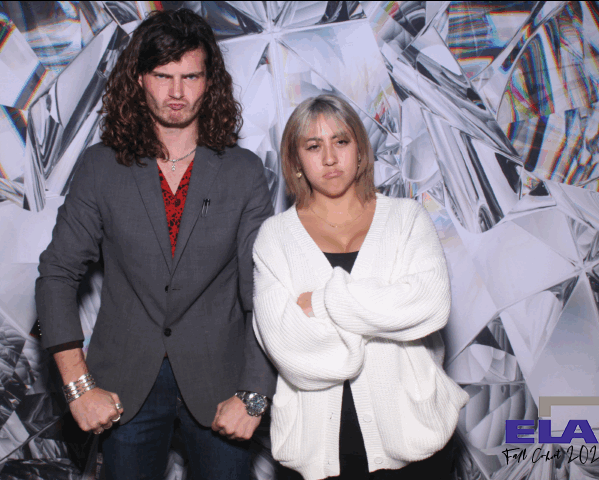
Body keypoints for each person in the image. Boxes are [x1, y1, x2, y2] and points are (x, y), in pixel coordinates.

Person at [35, 9, 276, 480]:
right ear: (139, 79)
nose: (177, 92)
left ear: (210, 82)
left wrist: (253, 393)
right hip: (123, 383)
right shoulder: (100, 167)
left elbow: (264, 291)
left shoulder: (244, 171)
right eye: (163, 76)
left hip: (222, 383)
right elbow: (56, 275)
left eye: (191, 76)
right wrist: (77, 385)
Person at [252, 95, 469, 480]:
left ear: (360, 151)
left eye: (341, 141)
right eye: (313, 146)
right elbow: (285, 343)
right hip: (317, 448)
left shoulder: (406, 219)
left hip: (414, 436)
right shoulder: (275, 237)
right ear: (295, 160)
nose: (329, 158)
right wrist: (378, 320)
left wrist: (323, 303)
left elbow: (430, 304)